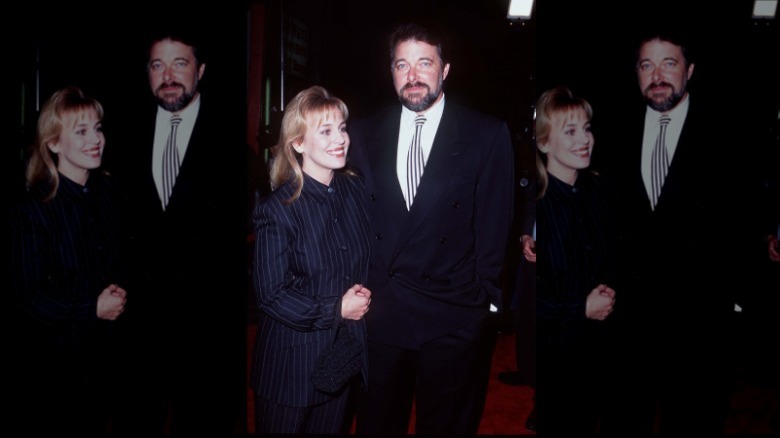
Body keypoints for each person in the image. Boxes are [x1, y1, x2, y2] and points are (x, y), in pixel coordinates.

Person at [348, 22, 515, 435]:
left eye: (424, 62)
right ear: (391, 73)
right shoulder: (363, 133)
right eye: (401, 65)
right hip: (380, 313)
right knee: (378, 423)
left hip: (452, 314)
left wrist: (485, 302)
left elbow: (495, 223)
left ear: (445, 70)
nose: (413, 75)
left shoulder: (485, 134)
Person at [600, 28, 744, 434]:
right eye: (647, 64)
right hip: (628, 322)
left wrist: (732, 300)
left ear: (690, 70)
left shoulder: (726, 134)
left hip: (699, 324)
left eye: (669, 63)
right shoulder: (611, 132)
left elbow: (742, 221)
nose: (657, 75)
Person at [111, 29, 246, 435]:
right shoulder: (120, 135)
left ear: (200, 70)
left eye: (180, 63)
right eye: (158, 65)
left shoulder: (233, 140)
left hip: (206, 332)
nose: (168, 75)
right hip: (139, 327)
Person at [251, 85, 371, 434]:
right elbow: (271, 294)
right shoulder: (278, 210)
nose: (341, 139)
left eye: (343, 128)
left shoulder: (355, 190)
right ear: (298, 143)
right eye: (326, 131)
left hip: (341, 359)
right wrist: (336, 309)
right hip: (290, 367)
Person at [8, 86, 128, 434]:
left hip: (105, 359)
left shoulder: (107, 192)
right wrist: (90, 308)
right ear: (54, 143)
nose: (96, 140)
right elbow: (28, 296)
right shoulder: (33, 210)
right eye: (81, 131)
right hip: (55, 370)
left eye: (98, 129)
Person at [532, 86, 618, 435]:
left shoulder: (599, 191)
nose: (585, 140)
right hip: (556, 358)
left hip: (601, 350)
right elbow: (532, 302)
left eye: (587, 128)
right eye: (570, 131)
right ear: (544, 143)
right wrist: (579, 308)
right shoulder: (537, 206)